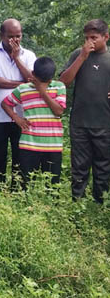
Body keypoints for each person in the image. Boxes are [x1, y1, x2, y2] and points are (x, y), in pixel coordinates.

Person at [59, 19, 110, 203]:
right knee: (79, 166)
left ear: (106, 37)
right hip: (80, 122)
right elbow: (64, 82)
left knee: (103, 167)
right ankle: (77, 203)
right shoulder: (77, 54)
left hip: (105, 122)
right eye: (87, 38)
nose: (90, 42)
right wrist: (82, 57)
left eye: (94, 38)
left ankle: (100, 203)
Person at [0, 18, 36, 188]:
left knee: (21, 159)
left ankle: (18, 191)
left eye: (18, 36)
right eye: (10, 36)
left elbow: (33, 79)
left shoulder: (29, 55)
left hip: (22, 116)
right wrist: (22, 85)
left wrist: (17, 58)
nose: (15, 40)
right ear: (1, 35)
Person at [1, 57, 66, 189]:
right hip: (29, 145)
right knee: (26, 183)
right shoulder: (23, 89)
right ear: (33, 74)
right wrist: (16, 118)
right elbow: (5, 103)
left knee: (52, 186)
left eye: (46, 81)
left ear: (51, 78)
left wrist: (42, 91)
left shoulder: (59, 86)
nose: (43, 83)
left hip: (52, 146)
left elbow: (58, 111)